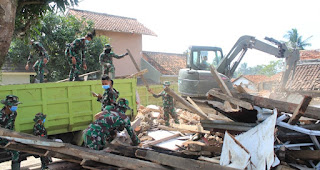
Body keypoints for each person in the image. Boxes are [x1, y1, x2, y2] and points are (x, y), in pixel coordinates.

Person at [0, 95, 22, 170]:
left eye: (16, 105)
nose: (15, 107)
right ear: (8, 106)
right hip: (1, 138)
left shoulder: (14, 114)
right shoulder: (0, 115)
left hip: (8, 138)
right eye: (14, 105)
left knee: (16, 152)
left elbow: (12, 126)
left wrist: (13, 137)